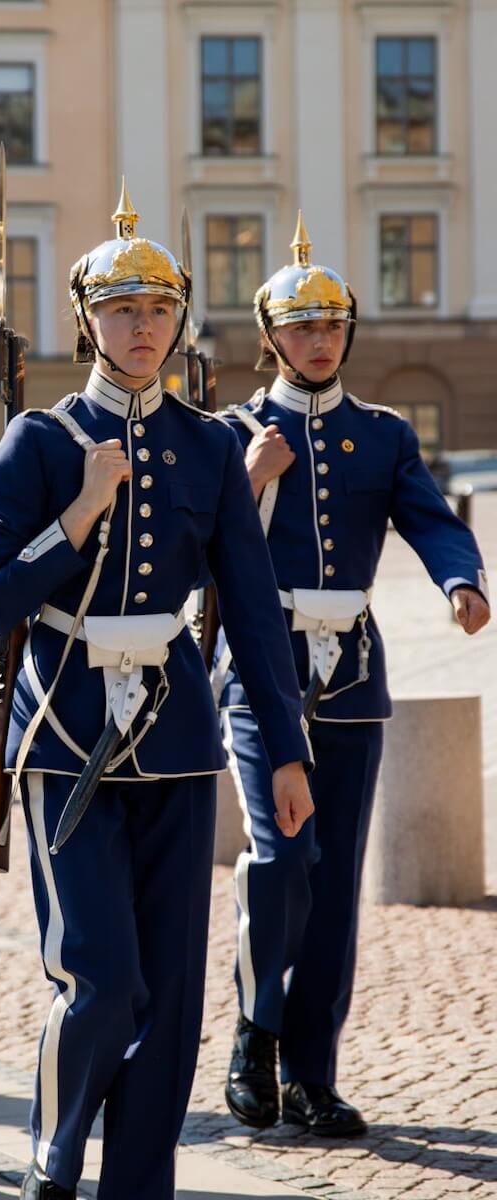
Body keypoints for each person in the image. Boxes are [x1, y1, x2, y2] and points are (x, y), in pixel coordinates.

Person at [0, 183, 314, 1200]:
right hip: (63, 729)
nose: (141, 329)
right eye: (121, 310)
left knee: (168, 994)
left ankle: (138, 1186)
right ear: (85, 320)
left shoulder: (209, 446)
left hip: (174, 737)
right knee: (100, 979)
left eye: (158, 310)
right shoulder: (35, 442)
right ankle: (55, 1136)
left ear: (180, 320)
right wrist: (78, 510)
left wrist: (285, 753)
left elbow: (250, 613)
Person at [218, 214, 490, 1137]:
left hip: (354, 676)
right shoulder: (232, 433)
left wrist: (462, 577)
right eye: (302, 328)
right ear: (271, 338)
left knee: (333, 889)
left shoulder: (382, 434)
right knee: (284, 857)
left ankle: (311, 1073)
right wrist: (251, 480)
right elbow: (202, 555)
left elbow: (432, 519)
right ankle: (254, 1031)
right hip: (262, 671)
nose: (320, 341)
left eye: (333, 326)